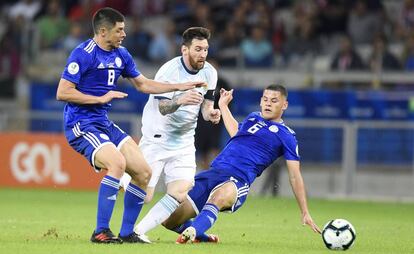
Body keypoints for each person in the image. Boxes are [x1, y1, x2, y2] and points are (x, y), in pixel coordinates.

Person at [56, 7, 204, 244]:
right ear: (103, 31)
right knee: (117, 163)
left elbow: (143, 85)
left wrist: (180, 87)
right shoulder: (83, 53)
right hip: (81, 124)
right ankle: (101, 231)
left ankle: (127, 232)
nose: (124, 34)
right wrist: (99, 99)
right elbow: (63, 92)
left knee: (143, 172)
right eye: (119, 30)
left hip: (103, 123)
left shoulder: (122, 54)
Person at [161, 85, 321, 244]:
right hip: (214, 172)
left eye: (274, 101)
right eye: (265, 99)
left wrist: (305, 211)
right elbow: (236, 133)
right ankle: (203, 237)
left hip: (238, 180)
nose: (268, 104)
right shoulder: (253, 117)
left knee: (218, 197)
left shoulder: (287, 136)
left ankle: (192, 233)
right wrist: (223, 106)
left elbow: (294, 175)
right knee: (168, 221)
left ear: (284, 105)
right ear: (260, 101)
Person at [119, 27, 220, 243]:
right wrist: (180, 100)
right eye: (198, 49)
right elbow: (163, 107)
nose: (203, 54)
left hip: (184, 140)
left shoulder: (210, 72)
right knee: (145, 196)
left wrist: (211, 113)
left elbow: (206, 106)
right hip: (158, 137)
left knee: (181, 191)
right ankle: (126, 177)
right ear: (185, 49)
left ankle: (137, 231)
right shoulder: (169, 71)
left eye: (206, 49)